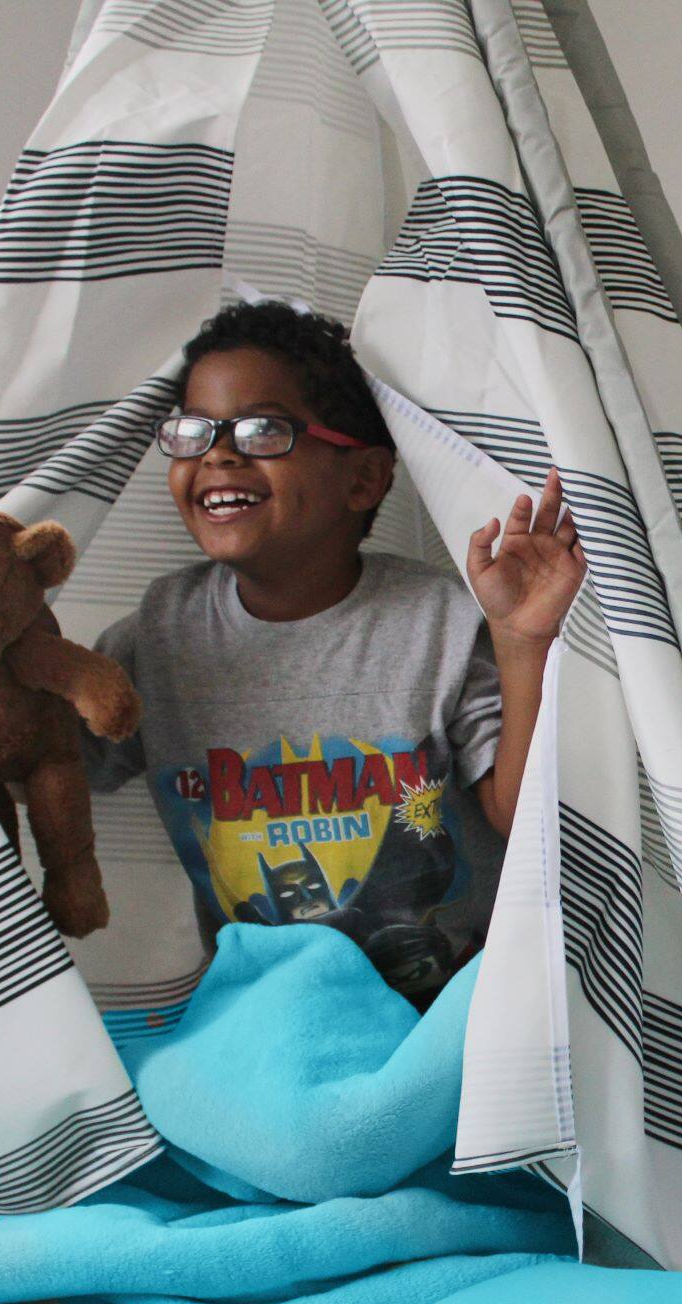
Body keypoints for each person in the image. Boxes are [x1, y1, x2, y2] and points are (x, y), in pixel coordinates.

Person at [86, 301, 586, 1003]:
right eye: (193, 432)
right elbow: (41, 767)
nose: (217, 455)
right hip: (264, 1010)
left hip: (448, 1005)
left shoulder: (439, 624)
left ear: (364, 479)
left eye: (264, 430)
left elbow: (522, 818)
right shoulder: (160, 636)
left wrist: (523, 641)